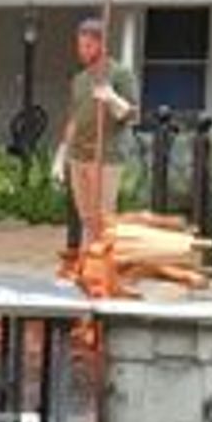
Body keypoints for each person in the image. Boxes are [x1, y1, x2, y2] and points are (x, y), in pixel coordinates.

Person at [63, 16, 135, 261]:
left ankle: (104, 266)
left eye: (87, 46)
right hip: (78, 155)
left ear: (102, 44)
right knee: (86, 217)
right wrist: (62, 152)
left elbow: (132, 113)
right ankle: (88, 263)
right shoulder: (80, 80)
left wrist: (113, 98)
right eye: (79, 45)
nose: (82, 51)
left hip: (105, 155)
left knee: (103, 217)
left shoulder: (119, 74)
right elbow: (74, 118)